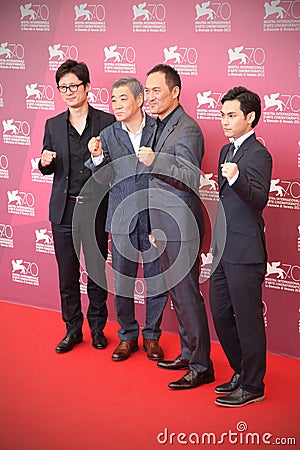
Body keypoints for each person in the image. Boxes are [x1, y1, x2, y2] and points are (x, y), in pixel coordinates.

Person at [138, 64, 214, 390]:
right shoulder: (158, 125)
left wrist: (155, 159)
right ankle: (188, 353)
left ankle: (201, 365)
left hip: (181, 225)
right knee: (178, 294)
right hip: (163, 224)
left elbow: (188, 174)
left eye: (157, 90)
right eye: (148, 90)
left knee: (187, 294)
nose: (150, 97)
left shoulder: (188, 128)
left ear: (174, 92)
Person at [86, 77, 168, 362]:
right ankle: (127, 336)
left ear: (139, 100)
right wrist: (97, 158)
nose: (117, 105)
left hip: (155, 218)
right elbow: (102, 179)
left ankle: (152, 337)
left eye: (123, 98)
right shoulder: (107, 135)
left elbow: (173, 170)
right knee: (122, 282)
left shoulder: (160, 129)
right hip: (121, 220)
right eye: (113, 99)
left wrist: (156, 159)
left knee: (157, 280)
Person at [38, 59, 115, 353]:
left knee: (96, 271)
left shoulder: (107, 122)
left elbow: (115, 166)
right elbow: (48, 164)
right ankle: (72, 329)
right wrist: (43, 162)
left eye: (74, 86)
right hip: (64, 210)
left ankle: (97, 328)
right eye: (63, 88)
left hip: (95, 209)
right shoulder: (53, 124)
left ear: (87, 87)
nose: (68, 92)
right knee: (67, 274)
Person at [209, 86, 272, 407]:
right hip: (223, 249)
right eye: (223, 115)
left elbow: (259, 200)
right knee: (220, 312)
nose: (225, 121)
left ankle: (253, 385)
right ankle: (240, 369)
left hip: (246, 252)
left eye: (232, 115)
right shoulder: (225, 151)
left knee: (247, 319)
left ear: (250, 117)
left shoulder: (259, 154)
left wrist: (236, 179)